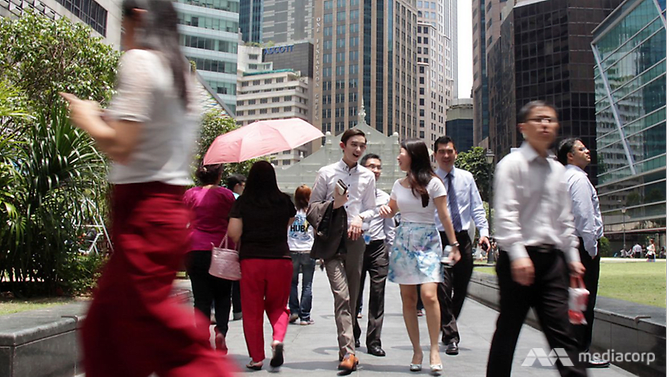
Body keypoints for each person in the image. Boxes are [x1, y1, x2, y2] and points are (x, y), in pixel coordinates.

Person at [60, 0, 234, 375]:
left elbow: (122, 145)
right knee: (108, 328)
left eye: (123, 27)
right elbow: (145, 140)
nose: (123, 38)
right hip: (161, 213)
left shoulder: (140, 62)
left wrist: (88, 117)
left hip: (142, 213)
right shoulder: (182, 78)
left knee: (158, 335)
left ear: (137, 19)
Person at [486, 100, 586, 377]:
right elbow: (506, 213)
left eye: (550, 120)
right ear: (523, 127)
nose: (545, 125)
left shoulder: (557, 170)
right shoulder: (511, 165)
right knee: (508, 329)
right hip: (517, 262)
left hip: (552, 263)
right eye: (538, 119)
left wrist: (573, 257)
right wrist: (518, 255)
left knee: (564, 334)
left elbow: (564, 220)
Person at [379, 139, 459, 375]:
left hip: (428, 241)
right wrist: (386, 210)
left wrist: (453, 244)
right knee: (408, 299)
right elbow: (392, 209)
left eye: (401, 153)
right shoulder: (398, 184)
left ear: (413, 155)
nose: (398, 157)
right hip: (403, 241)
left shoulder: (434, 183)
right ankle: (417, 350)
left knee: (429, 295)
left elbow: (444, 216)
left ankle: (434, 348)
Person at [307, 128, 377, 373]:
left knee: (353, 297)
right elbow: (311, 208)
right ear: (342, 145)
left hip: (356, 240)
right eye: (354, 145)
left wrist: (359, 219)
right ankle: (347, 353)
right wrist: (334, 204)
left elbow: (372, 208)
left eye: (362, 146)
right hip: (331, 243)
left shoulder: (368, 176)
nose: (358, 150)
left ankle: (349, 350)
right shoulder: (326, 173)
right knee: (342, 296)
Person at [227, 161, 296, 370]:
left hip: (251, 261)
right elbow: (289, 223)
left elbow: (234, 233)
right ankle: (277, 339)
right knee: (278, 306)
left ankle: (257, 358)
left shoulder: (243, 202)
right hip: (281, 260)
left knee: (252, 311)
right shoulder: (284, 200)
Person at [432, 136, 491, 355]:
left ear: (455, 153)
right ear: (435, 155)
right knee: (443, 287)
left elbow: (476, 208)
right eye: (441, 152)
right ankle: (451, 335)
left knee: (463, 286)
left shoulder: (466, 178)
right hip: (439, 239)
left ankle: (446, 323)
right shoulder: (430, 180)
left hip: (463, 238)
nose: (446, 155)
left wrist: (484, 233)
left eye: (449, 151)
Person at [558, 137, 608, 368]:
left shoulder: (563, 177)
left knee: (574, 302)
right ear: (570, 155)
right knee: (584, 302)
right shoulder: (577, 178)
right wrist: (591, 246)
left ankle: (571, 351)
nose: (587, 151)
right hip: (581, 246)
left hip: (568, 245)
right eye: (581, 149)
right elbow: (583, 215)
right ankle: (580, 353)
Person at [183, 164, 237, 355]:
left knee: (201, 299)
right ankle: (221, 331)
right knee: (223, 295)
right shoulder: (227, 195)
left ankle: (202, 339)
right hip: (222, 250)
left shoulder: (190, 194)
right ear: (219, 175)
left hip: (195, 248)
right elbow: (235, 218)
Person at [353, 153, 396, 357]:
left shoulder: (385, 198)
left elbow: (390, 227)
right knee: (354, 294)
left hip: (378, 248)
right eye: (371, 166)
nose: (376, 170)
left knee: (378, 295)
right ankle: (352, 333)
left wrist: (391, 250)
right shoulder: (353, 196)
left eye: (378, 167)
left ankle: (374, 341)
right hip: (356, 246)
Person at [288, 185, 317, 326]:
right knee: (307, 284)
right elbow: (317, 233)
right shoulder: (312, 213)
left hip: (292, 250)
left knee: (292, 283)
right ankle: (305, 317)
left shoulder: (291, 212)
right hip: (308, 250)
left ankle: (293, 311)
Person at [226, 173, 246, 320]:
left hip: (220, 242)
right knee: (236, 278)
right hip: (236, 242)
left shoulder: (222, 196)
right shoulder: (238, 200)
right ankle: (238, 310)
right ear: (237, 185)